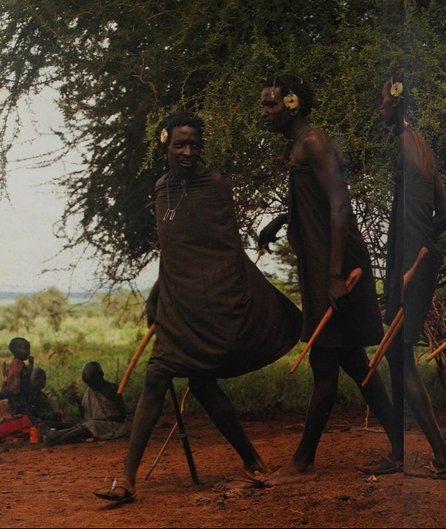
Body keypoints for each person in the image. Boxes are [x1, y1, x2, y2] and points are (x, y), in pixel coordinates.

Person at [94, 111, 302, 503]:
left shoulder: (214, 185)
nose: (188, 151)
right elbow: (171, 251)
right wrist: (157, 296)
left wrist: (221, 296)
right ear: (165, 146)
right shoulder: (161, 189)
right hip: (176, 304)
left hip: (211, 303)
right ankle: (128, 478)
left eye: (194, 145)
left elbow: (224, 249)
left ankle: (247, 462)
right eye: (180, 145)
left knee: (189, 380)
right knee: (177, 379)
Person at [258, 73, 402, 483]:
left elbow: (340, 205)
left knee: (324, 364)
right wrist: (282, 221)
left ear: (292, 103)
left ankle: (302, 461)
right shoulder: (300, 145)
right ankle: (400, 446)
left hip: (338, 269)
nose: (264, 112)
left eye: (270, 104)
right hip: (326, 266)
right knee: (354, 362)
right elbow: (318, 202)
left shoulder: (315, 142)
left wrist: (335, 275)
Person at [369, 73, 446, 478]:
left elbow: (417, 217)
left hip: (410, 266)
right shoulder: (423, 145)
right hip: (419, 260)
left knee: (398, 356)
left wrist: (409, 265)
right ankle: (400, 452)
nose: (380, 106)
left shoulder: (406, 145)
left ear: (396, 102)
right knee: (396, 355)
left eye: (383, 99)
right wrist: (424, 251)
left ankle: (441, 458)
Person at [45, 362, 128, 445]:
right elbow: (85, 416)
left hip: (114, 426)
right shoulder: (90, 391)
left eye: (93, 383)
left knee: (90, 425)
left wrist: (102, 419)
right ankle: (56, 435)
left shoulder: (112, 389)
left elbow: (121, 415)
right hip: (94, 425)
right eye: (89, 384)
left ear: (101, 375)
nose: (91, 387)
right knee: (84, 425)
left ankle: (57, 439)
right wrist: (79, 404)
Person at [0, 337, 34, 414]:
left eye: (29, 349)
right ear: (16, 351)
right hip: (17, 395)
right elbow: (27, 376)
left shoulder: (15, 362)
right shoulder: (18, 363)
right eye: (26, 349)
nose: (29, 352)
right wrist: (31, 364)